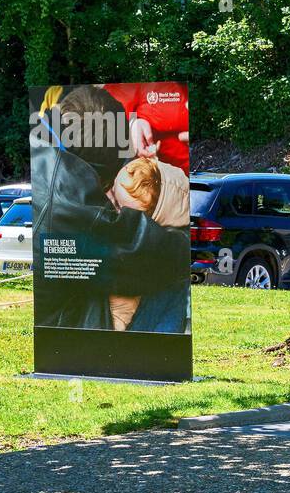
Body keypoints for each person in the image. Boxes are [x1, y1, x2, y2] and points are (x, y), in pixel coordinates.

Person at [30, 84, 190, 332]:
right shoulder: (73, 208)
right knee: (174, 281)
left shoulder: (40, 145)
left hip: (51, 312)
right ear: (105, 178)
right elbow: (153, 255)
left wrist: (138, 123)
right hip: (69, 332)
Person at [107, 156, 191, 331]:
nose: (113, 210)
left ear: (152, 217)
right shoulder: (130, 175)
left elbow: (126, 296)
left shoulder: (165, 246)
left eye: (125, 211)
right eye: (114, 195)